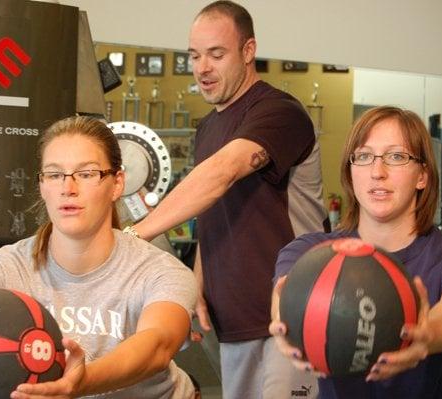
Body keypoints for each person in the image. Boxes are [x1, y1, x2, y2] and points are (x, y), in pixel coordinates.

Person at [131, 1, 328, 397]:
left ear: (248, 51)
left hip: (289, 312)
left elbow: (222, 174)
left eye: (216, 54)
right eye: (195, 55)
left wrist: (133, 235)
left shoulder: (279, 112)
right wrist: (197, 284)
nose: (202, 67)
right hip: (233, 320)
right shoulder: (208, 127)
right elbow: (213, 209)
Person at [0, 116, 197, 399]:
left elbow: (158, 346)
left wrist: (81, 382)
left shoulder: (159, 271)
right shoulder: (1, 271)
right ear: (43, 185)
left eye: (86, 174)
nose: (67, 188)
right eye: (55, 174)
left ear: (117, 183)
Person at [269, 105, 442, 398]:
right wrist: (284, 321)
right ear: (351, 174)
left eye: (396, 156)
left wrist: (428, 334)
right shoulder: (310, 251)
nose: (378, 172)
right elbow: (284, 292)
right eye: (364, 157)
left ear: (422, 176)